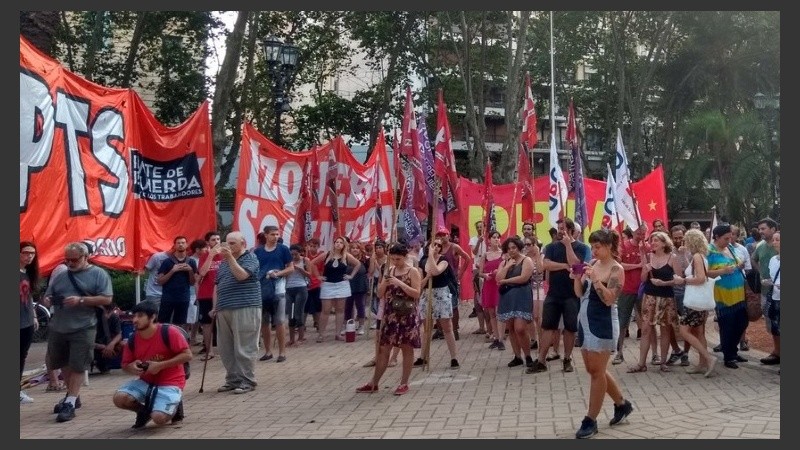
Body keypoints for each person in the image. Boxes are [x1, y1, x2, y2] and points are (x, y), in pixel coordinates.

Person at [571, 229, 633, 439]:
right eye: (592, 246)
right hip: (585, 320)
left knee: (597, 372)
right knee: (593, 369)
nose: (594, 250)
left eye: (598, 246)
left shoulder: (616, 269)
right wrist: (577, 278)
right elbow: (579, 293)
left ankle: (591, 419)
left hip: (603, 321)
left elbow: (609, 299)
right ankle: (622, 404)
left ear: (609, 246)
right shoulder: (593, 264)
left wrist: (596, 280)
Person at [44, 242, 113, 422]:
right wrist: (49, 300)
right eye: (67, 260)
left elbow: (107, 299)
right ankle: (73, 396)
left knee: (78, 364)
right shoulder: (61, 275)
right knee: (62, 361)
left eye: (74, 260)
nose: (70, 263)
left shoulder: (98, 274)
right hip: (59, 325)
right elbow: (47, 296)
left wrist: (81, 300)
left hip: (84, 326)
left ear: (86, 257)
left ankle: (70, 402)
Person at [356, 242, 422, 396]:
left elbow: (417, 293)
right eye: (393, 259)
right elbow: (379, 294)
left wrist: (400, 283)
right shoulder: (389, 270)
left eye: (398, 259)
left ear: (405, 257)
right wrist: (384, 283)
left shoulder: (413, 271)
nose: (395, 262)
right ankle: (374, 382)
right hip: (390, 315)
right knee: (383, 349)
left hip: (407, 315)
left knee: (406, 348)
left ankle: (404, 383)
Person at [113, 300, 192, 427]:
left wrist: (160, 365)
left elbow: (187, 355)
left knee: (159, 418)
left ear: (152, 317)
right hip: (146, 382)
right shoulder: (133, 338)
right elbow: (125, 365)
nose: (135, 320)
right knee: (119, 398)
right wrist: (131, 367)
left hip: (172, 381)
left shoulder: (169, 332)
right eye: (134, 316)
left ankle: (175, 407)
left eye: (140, 316)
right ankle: (144, 412)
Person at [531, 217, 590, 373]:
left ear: (571, 230)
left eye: (563, 229)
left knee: (570, 328)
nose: (559, 232)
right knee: (547, 326)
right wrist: (564, 265)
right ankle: (541, 360)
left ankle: (567, 359)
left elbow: (577, 266)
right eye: (558, 229)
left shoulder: (583, 248)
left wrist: (568, 246)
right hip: (553, 294)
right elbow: (546, 264)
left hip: (572, 295)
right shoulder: (551, 247)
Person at [212, 231, 262, 394]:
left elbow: (241, 275)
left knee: (245, 346)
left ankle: (247, 380)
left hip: (245, 306)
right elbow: (217, 285)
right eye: (227, 243)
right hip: (224, 307)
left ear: (243, 244)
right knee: (226, 348)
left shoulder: (250, 258)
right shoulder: (224, 263)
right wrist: (215, 307)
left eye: (233, 243)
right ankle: (233, 379)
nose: (228, 246)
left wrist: (230, 258)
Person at [628, 231, 681, 374]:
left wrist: (664, 283)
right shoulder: (648, 257)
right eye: (651, 240)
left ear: (664, 243)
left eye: (656, 240)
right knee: (646, 329)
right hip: (650, 297)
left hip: (666, 298)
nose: (653, 243)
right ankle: (641, 363)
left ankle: (663, 362)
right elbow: (643, 279)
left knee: (665, 330)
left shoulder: (672, 257)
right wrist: (645, 271)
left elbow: (679, 279)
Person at [675, 229, 718, 377]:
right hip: (699, 301)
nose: (684, 243)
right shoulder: (700, 256)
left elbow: (700, 278)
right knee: (699, 332)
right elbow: (696, 272)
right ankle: (702, 363)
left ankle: (708, 358)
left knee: (684, 331)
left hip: (693, 301)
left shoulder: (697, 256)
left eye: (686, 240)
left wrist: (683, 281)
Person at [707, 224, 748, 369]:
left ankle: (733, 350)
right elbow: (705, 272)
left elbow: (736, 263)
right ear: (717, 237)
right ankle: (728, 356)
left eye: (730, 238)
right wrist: (723, 271)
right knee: (727, 326)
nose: (729, 241)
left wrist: (739, 265)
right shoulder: (709, 251)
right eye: (726, 238)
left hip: (738, 293)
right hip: (723, 295)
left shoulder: (729, 247)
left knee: (742, 323)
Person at [415, 237, 460, 369]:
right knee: (426, 328)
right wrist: (426, 277)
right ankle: (423, 356)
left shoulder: (443, 260)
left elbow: (436, 271)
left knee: (447, 327)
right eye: (434, 244)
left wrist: (431, 256)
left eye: (439, 245)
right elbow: (420, 283)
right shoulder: (422, 262)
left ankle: (454, 357)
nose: (436, 247)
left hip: (441, 293)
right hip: (427, 294)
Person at [492, 236, 535, 372]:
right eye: (509, 248)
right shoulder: (505, 262)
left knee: (520, 328)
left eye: (514, 248)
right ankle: (517, 356)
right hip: (507, 297)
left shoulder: (526, 260)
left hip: (522, 296)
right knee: (510, 327)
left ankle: (528, 355)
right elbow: (498, 278)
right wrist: (507, 266)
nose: (511, 250)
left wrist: (506, 281)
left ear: (519, 247)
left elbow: (524, 278)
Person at [253, 225, 294, 362]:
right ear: (265, 235)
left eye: (277, 234)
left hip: (279, 288)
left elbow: (291, 268)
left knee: (280, 321)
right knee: (265, 322)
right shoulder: (258, 251)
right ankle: (268, 351)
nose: (275, 237)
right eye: (272, 234)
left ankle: (282, 352)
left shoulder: (283, 249)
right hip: (263, 289)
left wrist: (278, 273)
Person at [311, 236, 361, 342]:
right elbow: (313, 263)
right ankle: (321, 334)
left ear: (344, 245)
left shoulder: (346, 256)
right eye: (337, 242)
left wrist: (351, 276)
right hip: (328, 284)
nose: (338, 244)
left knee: (340, 310)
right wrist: (318, 276)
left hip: (342, 284)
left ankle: (338, 334)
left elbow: (358, 264)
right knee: (326, 310)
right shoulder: (327, 255)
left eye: (341, 242)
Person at [751, 218, 779, 363]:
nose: (760, 231)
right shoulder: (760, 246)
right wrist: (761, 273)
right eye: (759, 229)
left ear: (773, 229)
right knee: (772, 322)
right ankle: (777, 352)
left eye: (763, 228)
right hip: (766, 292)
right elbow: (753, 259)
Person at [156, 236, 198, 327]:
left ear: (186, 245)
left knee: (180, 324)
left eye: (183, 243)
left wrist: (190, 270)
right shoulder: (167, 262)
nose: (181, 245)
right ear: (174, 245)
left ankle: (177, 336)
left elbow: (192, 283)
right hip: (168, 298)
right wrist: (173, 271)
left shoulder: (191, 262)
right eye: (178, 243)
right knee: (163, 324)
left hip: (183, 298)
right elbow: (160, 281)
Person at [196, 231, 223, 360]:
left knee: (224, 322)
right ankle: (209, 351)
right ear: (208, 242)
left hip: (222, 293)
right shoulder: (204, 256)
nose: (216, 241)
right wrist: (211, 255)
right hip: (206, 293)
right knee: (207, 324)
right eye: (213, 239)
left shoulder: (225, 255)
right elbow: (202, 272)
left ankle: (226, 350)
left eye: (218, 239)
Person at [20, 241, 40, 404]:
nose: (29, 256)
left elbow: (29, 297)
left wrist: (33, 316)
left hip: (26, 321)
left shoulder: (28, 273)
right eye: (26, 253)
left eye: (32, 253)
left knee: (22, 356)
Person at [285, 244, 317, 345]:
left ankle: (301, 337)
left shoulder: (305, 260)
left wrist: (299, 269)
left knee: (299, 313)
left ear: (300, 253)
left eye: (296, 254)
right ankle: (291, 339)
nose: (294, 257)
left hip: (301, 287)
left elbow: (310, 274)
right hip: (289, 288)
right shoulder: (287, 261)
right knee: (291, 314)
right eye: (292, 255)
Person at [479, 231, 503, 349]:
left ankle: (501, 338)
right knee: (491, 313)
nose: (496, 239)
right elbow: (480, 272)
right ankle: (496, 338)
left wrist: (499, 272)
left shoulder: (503, 254)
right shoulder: (485, 255)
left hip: (499, 285)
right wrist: (485, 275)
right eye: (494, 237)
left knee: (499, 312)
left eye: (498, 237)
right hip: (489, 285)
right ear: (489, 240)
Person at [760, 231, 780, 366]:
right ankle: (777, 353)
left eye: (777, 240)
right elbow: (773, 278)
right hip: (774, 297)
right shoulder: (773, 260)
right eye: (774, 240)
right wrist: (767, 281)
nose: (774, 242)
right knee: (775, 327)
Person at [344, 241, 370, 335]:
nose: (355, 250)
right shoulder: (346, 259)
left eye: (357, 248)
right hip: (348, 285)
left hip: (360, 285)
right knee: (348, 306)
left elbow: (369, 271)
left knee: (360, 305)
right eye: (353, 248)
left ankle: (361, 325)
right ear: (350, 249)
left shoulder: (365, 260)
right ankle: (348, 325)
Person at [91, 303, 122, 374]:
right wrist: (99, 346)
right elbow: (84, 340)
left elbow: (119, 334)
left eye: (109, 312)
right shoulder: (92, 319)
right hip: (94, 345)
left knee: (123, 345)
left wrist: (111, 344)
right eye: (105, 311)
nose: (107, 315)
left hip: (107, 344)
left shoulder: (114, 317)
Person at [468, 220, 487, 332]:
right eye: (478, 227)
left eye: (481, 227)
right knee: (478, 295)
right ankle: (481, 327)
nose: (480, 229)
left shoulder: (489, 239)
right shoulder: (473, 239)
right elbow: (474, 252)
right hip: (476, 268)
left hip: (486, 268)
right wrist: (479, 242)